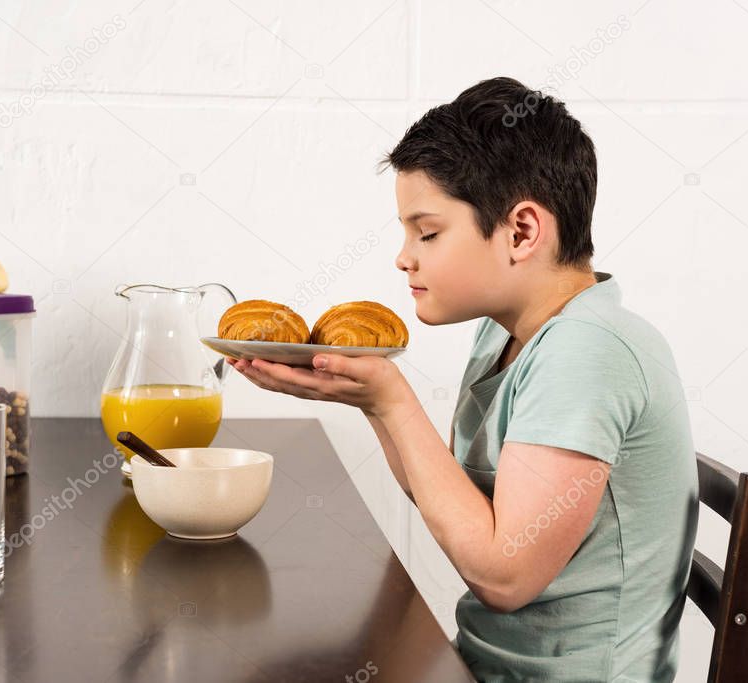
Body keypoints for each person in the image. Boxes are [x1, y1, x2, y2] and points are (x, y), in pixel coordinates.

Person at [229, 77, 699, 682]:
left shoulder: (588, 351)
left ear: (522, 232)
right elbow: (456, 501)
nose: (405, 256)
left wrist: (395, 404)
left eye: (427, 232)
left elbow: (504, 576)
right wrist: (368, 400)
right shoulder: (507, 332)